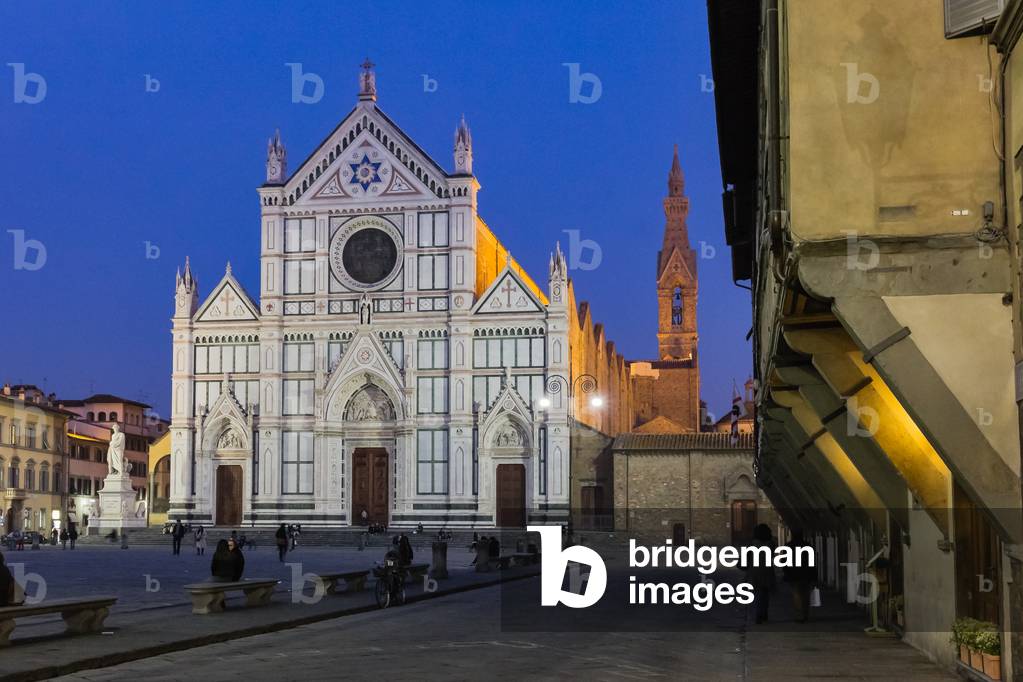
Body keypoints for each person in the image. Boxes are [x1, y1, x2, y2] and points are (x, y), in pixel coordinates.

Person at [745, 524, 776, 624]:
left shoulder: (752, 544)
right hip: (767, 570)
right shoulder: (771, 544)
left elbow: (747, 557)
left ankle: (758, 614)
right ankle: (764, 613)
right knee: (765, 593)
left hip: (755, 571)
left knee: (757, 594)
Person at [783, 530, 817, 623]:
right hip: (806, 574)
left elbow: (784, 560)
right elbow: (812, 562)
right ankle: (805, 614)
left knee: (797, 595)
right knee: (806, 595)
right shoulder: (807, 546)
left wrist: (786, 571)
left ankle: (800, 615)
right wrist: (814, 576)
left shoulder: (788, 546)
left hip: (793, 574)